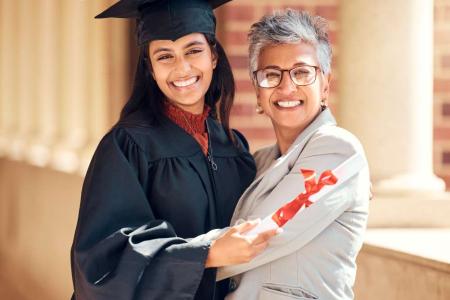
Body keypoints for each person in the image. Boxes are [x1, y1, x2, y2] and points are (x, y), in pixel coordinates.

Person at [70, 1, 277, 299]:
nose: (182, 68)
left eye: (193, 51)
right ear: (150, 69)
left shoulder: (233, 146)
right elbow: (101, 262)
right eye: (165, 56)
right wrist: (206, 254)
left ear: (214, 56)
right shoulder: (126, 147)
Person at [213, 9, 371, 300]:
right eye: (271, 75)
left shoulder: (339, 151)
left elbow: (255, 239)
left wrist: (171, 259)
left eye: (302, 72)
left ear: (324, 84)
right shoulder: (257, 162)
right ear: (258, 92)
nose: (287, 87)